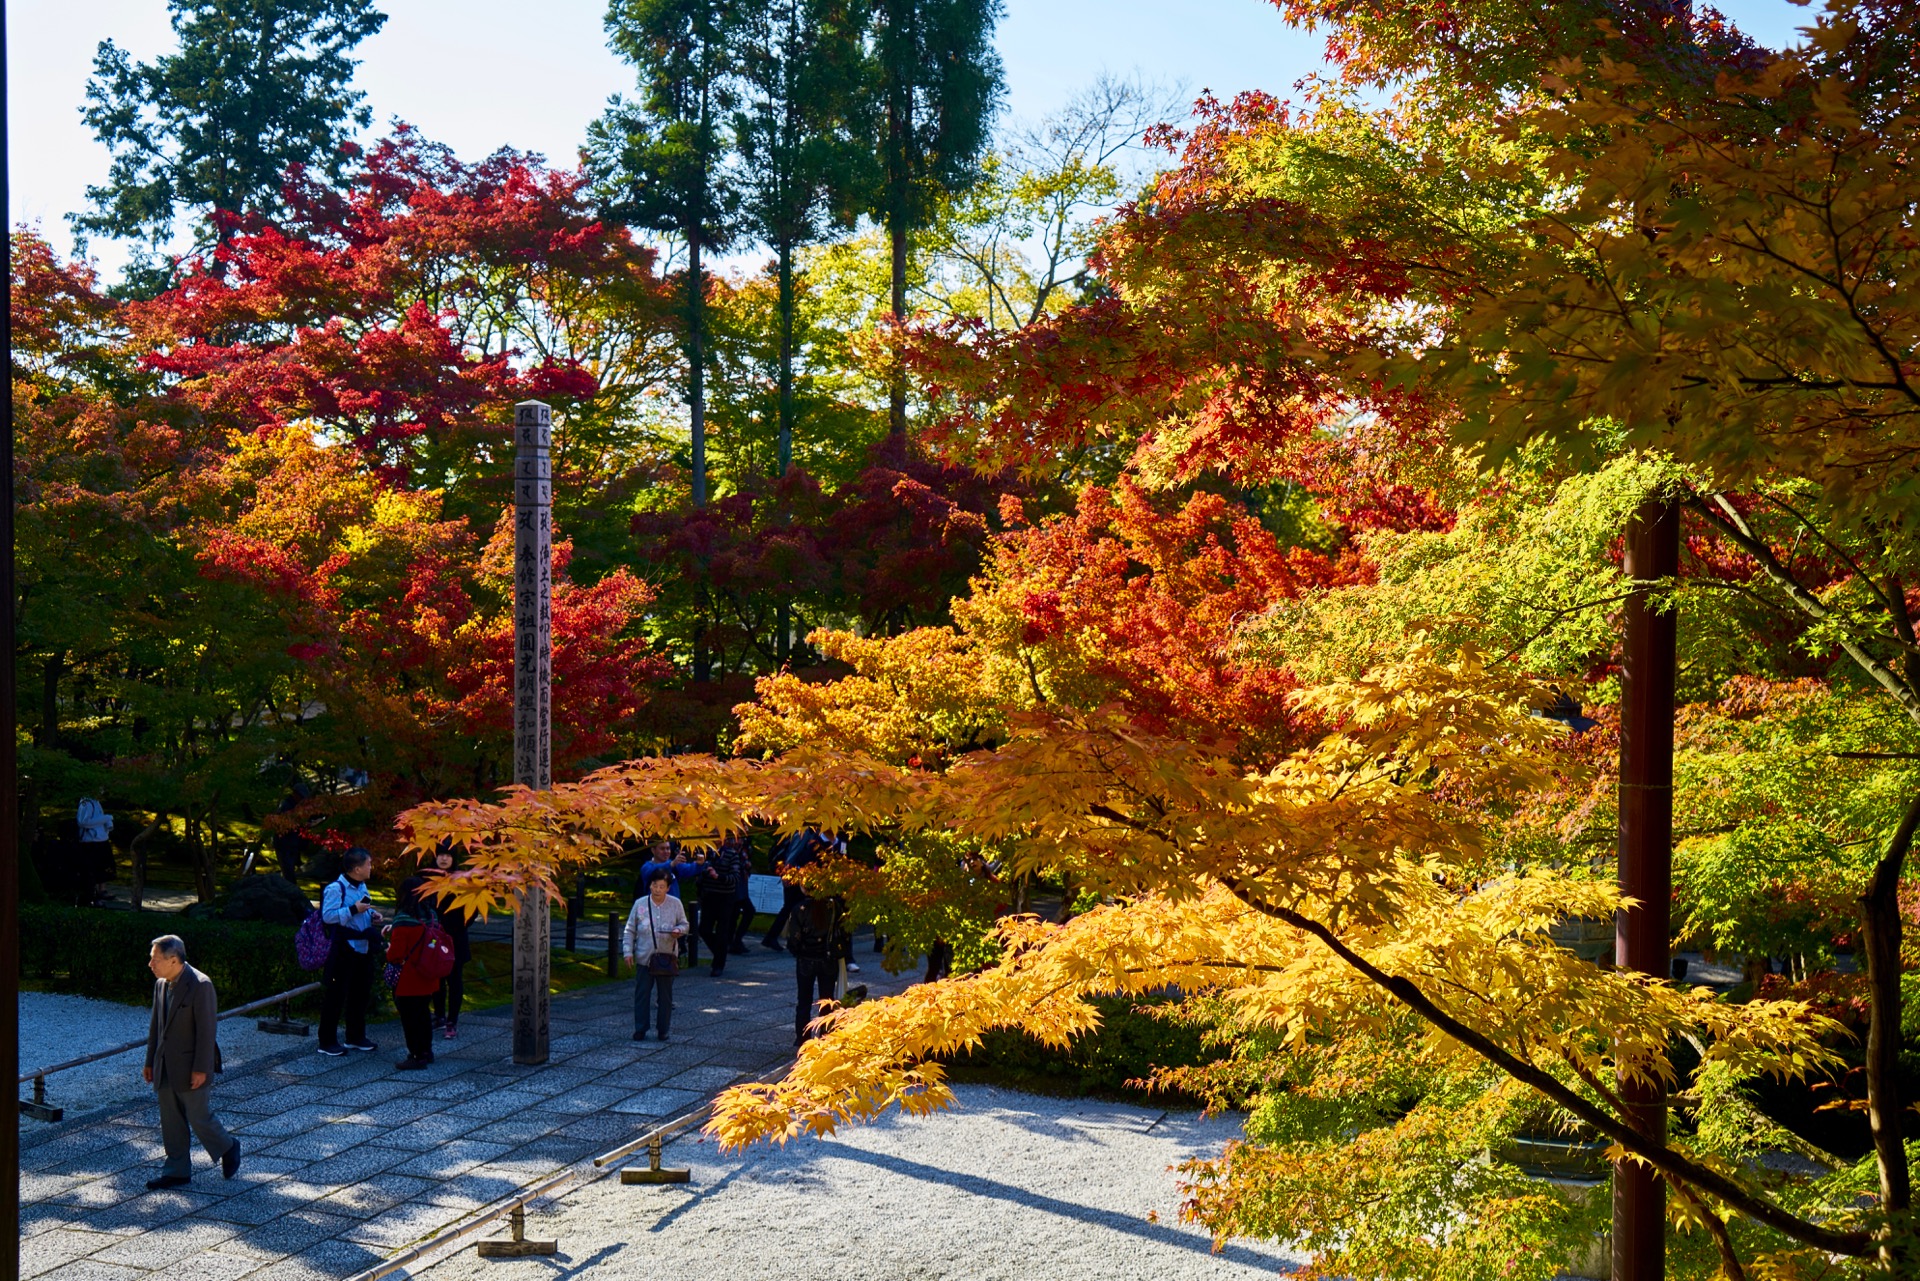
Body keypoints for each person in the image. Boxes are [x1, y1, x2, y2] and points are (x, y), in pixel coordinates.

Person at [142, 935, 241, 1190]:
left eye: (155, 959)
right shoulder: (161, 984)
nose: (150, 964)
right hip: (164, 1064)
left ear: (173, 960)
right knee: (170, 1119)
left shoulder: (200, 985)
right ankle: (177, 1170)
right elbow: (156, 1027)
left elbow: (207, 1032)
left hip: (191, 1066)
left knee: (199, 1117)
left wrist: (201, 1069)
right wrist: (150, 1060)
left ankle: (228, 1146)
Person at [317, 847, 382, 1056]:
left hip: (363, 947)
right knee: (336, 995)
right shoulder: (335, 889)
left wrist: (372, 914)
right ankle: (326, 1041)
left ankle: (355, 1036)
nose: (371, 867)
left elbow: (365, 907)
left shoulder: (362, 885)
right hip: (344, 948)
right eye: (368, 864)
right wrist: (354, 909)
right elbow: (327, 916)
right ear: (356, 868)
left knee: (360, 993)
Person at [623, 870, 688, 1041]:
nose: (657, 890)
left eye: (661, 886)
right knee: (642, 994)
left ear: (668, 888)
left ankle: (663, 1029)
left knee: (665, 996)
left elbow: (684, 923)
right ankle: (640, 1028)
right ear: (650, 885)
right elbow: (630, 929)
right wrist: (627, 951)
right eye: (654, 885)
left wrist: (678, 930)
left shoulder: (675, 904)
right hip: (645, 957)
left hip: (666, 958)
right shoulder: (640, 904)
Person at [788, 890, 849, 1047]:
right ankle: (826, 1035)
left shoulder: (799, 908)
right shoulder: (834, 906)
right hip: (828, 958)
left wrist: (798, 951)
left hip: (806, 958)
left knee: (803, 1001)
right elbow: (843, 931)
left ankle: (803, 1037)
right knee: (827, 1000)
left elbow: (793, 938)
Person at [425, 842, 473, 1039]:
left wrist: (456, 928)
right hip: (434, 936)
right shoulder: (427, 878)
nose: (444, 858)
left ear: (454, 858)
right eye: (441, 855)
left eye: (448, 855)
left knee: (454, 980)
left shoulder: (463, 881)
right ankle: (439, 1015)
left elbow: (471, 910)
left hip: (455, 937)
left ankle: (452, 1020)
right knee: (437, 979)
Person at [384, 907, 441, 1069]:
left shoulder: (403, 922)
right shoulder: (431, 917)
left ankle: (416, 1055)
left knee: (410, 1018)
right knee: (423, 1014)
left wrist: (388, 949)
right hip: (427, 973)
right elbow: (435, 941)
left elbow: (394, 954)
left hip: (408, 977)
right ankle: (426, 1051)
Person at [697, 835, 751, 978]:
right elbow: (697, 871)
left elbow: (735, 877)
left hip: (725, 898)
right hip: (709, 896)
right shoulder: (705, 853)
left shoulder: (731, 854)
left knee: (722, 931)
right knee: (704, 929)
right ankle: (720, 953)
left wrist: (718, 876)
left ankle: (718, 964)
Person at [761, 828, 824, 950]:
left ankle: (774, 937)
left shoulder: (803, 832)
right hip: (794, 875)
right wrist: (788, 874)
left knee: (790, 907)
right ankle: (782, 939)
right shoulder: (804, 833)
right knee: (794, 908)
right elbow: (793, 854)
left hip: (795, 874)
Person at [76, 798, 115, 905]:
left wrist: (107, 823)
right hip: (91, 841)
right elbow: (83, 822)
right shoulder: (86, 803)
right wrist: (106, 818)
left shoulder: (96, 802)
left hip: (101, 840)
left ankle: (101, 890)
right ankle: (92, 893)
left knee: (104, 867)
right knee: (92, 869)